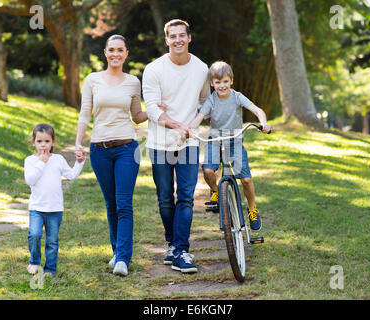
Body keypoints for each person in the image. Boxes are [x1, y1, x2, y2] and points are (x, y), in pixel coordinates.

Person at [75, 34, 147, 276]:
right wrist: (78, 143)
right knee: (111, 204)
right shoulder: (93, 80)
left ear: (126, 53)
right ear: (105, 53)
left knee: (124, 203)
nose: (116, 54)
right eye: (111, 50)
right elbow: (85, 113)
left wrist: (158, 110)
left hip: (127, 149)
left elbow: (137, 115)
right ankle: (117, 251)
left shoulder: (133, 82)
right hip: (99, 150)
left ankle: (123, 259)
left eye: (120, 50)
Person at [142, 19, 210, 274]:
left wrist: (191, 125)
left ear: (189, 38)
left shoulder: (201, 68)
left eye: (182, 35)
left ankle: (181, 250)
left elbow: (205, 102)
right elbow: (151, 109)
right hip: (160, 143)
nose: (178, 40)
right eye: (173, 36)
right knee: (164, 199)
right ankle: (171, 244)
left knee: (186, 197)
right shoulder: (154, 69)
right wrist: (175, 125)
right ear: (166, 40)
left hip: (189, 143)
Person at [188, 61, 271, 231]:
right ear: (212, 83)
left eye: (225, 81)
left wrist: (263, 123)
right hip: (215, 140)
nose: (222, 86)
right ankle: (215, 192)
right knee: (208, 170)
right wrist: (190, 129)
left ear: (231, 81)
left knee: (246, 180)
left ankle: (252, 209)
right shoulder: (211, 100)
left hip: (235, 140)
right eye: (217, 82)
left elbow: (257, 110)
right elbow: (200, 116)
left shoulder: (237, 97)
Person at [24, 123, 86, 276]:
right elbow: (30, 180)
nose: (43, 145)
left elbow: (70, 175)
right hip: (37, 208)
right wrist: (41, 163)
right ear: (34, 142)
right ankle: (34, 262)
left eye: (47, 141)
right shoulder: (30, 160)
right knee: (35, 234)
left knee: (52, 240)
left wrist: (80, 162)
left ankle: (50, 268)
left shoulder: (58, 159)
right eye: (39, 141)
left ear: (53, 142)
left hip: (55, 208)